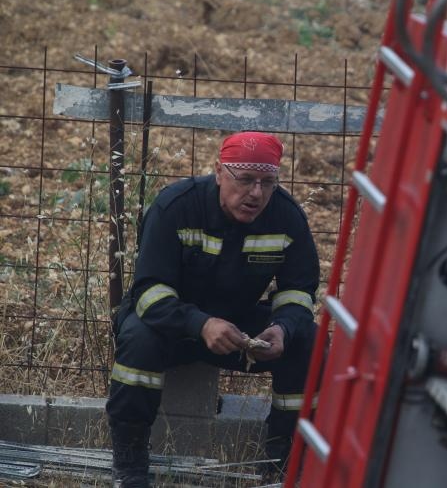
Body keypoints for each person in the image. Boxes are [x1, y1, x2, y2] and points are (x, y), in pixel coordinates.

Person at [106, 131, 320, 486]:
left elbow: (299, 291)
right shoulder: (176, 206)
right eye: (246, 179)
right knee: (138, 337)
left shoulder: (287, 217)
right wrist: (200, 324)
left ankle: (284, 462)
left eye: (268, 182)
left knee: (307, 339)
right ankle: (129, 464)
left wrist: (283, 328)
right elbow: (148, 290)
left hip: (235, 331)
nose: (256, 193)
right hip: (171, 327)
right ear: (219, 171)